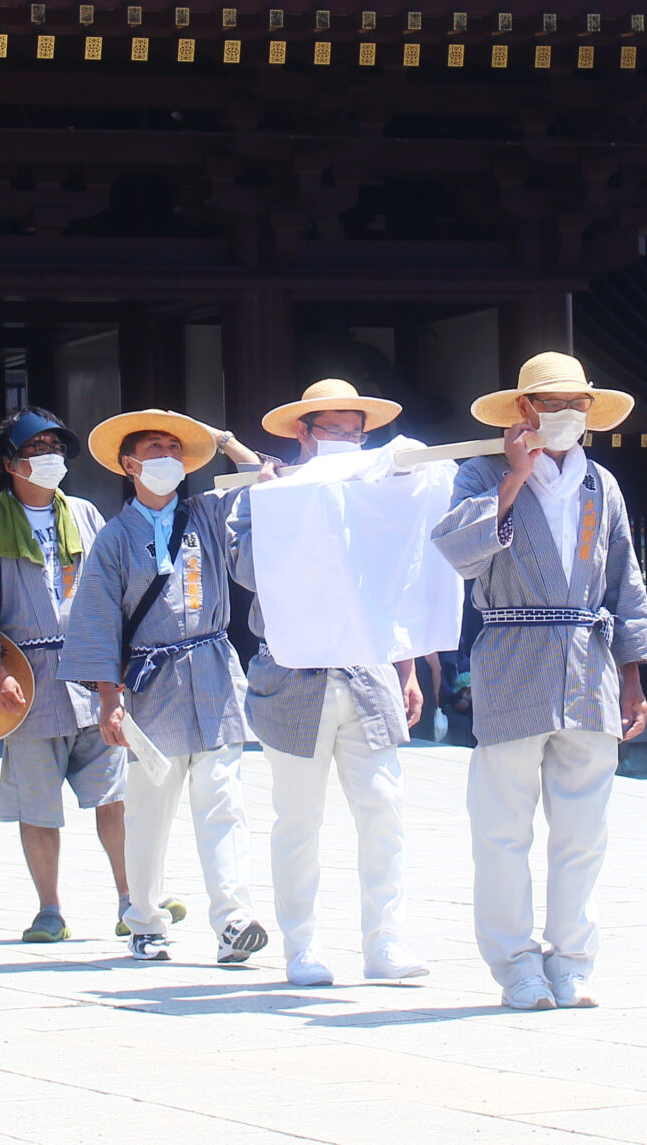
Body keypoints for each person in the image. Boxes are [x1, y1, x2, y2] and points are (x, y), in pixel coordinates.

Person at [432, 352, 647, 1011]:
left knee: (583, 828)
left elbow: (626, 581)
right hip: (514, 653)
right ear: (523, 410)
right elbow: (455, 550)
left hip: (590, 661)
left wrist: (634, 675)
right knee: (502, 827)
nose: (563, 415)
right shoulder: (480, 472)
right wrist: (516, 475)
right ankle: (516, 963)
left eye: (575, 404)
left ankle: (573, 959)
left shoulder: (600, 485)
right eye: (549, 403)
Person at [228, 380, 429, 988]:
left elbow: (400, 576)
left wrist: (408, 667)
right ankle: (301, 946)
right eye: (334, 429)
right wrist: (267, 510)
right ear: (304, 433)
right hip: (293, 673)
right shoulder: (266, 492)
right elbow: (243, 572)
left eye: (354, 430)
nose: (346, 440)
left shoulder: (373, 492)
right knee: (297, 817)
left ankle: (385, 941)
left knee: (385, 811)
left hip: (367, 670)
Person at [58, 408, 272, 966]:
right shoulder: (112, 538)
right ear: (130, 465)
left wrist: (223, 438)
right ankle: (145, 918)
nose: (168, 459)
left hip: (214, 670)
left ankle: (233, 920)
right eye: (155, 449)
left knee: (223, 800)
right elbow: (98, 620)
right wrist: (109, 701)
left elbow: (264, 481)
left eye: (176, 450)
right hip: (150, 686)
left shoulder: (205, 512)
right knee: (150, 809)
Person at [0, 408, 129, 941]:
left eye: (56, 449)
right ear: (10, 463)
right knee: (38, 802)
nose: (50, 458)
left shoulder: (87, 515)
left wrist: (113, 679)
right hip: (29, 677)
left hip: (90, 672)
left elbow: (112, 594)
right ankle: (49, 908)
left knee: (113, 792)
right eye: (36, 450)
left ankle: (130, 897)